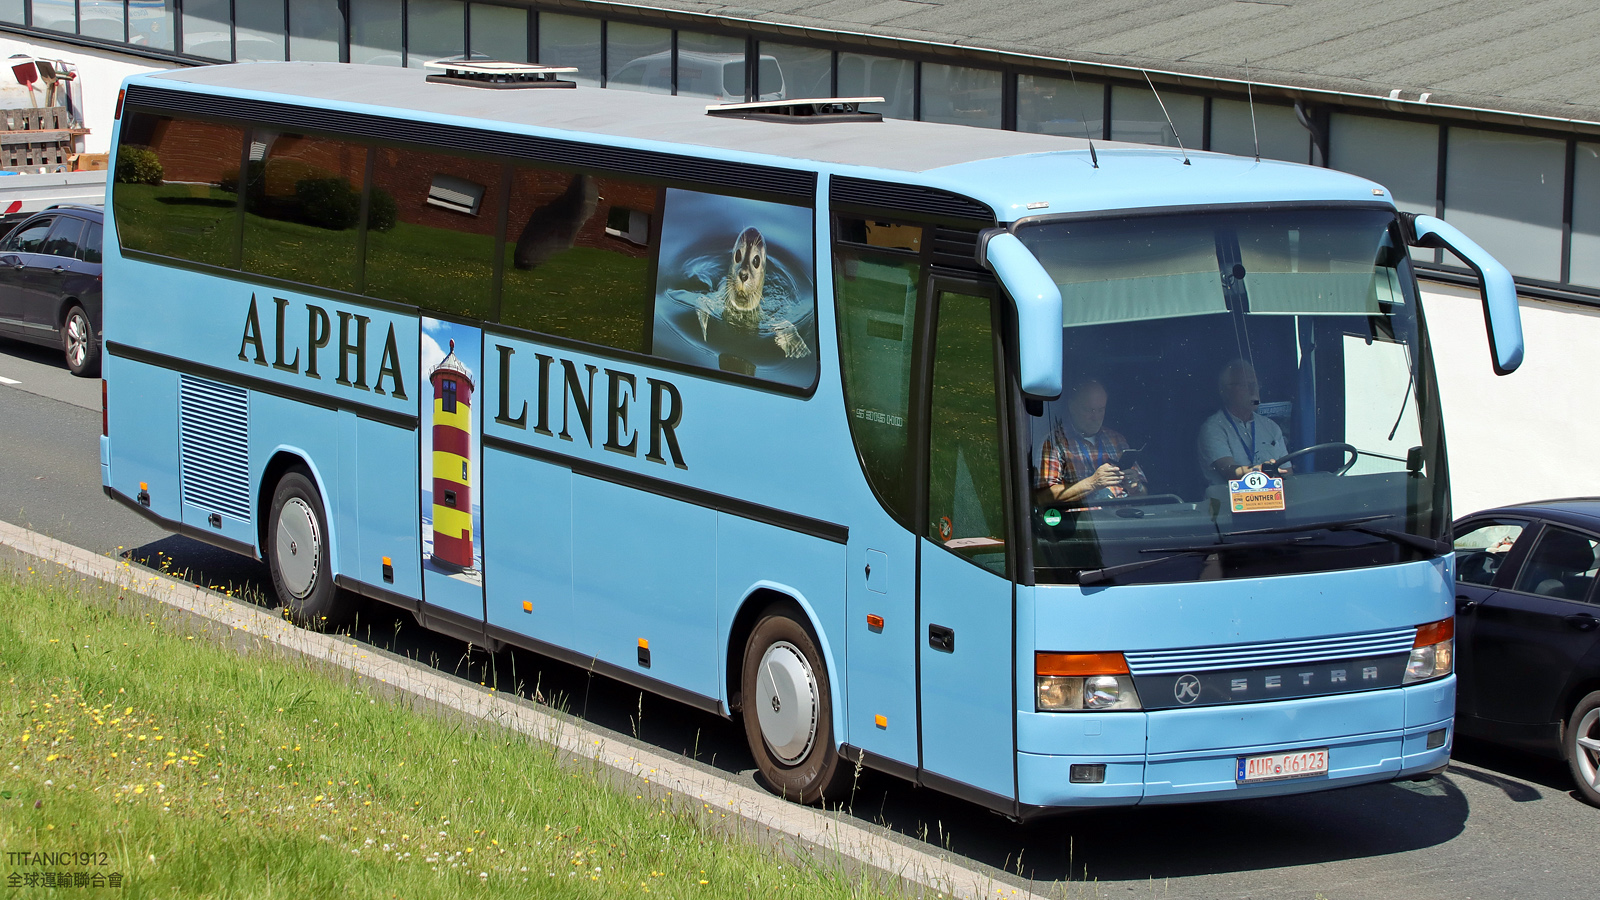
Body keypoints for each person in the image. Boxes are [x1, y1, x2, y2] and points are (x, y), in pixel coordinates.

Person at [1035, 378, 1148, 505]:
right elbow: (1042, 497)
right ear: (1072, 407)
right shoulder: (1054, 443)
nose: (1096, 417)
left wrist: (1135, 486)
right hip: (1085, 516)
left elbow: (1144, 494)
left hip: (1122, 515)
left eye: (1100, 410)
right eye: (1089, 410)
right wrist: (1092, 483)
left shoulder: (1116, 438)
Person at [1198, 358, 1291, 483]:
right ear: (1225, 391)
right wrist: (1260, 471)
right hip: (1228, 496)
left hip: (1272, 495)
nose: (1253, 390)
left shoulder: (1270, 426)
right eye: (1245, 385)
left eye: (1255, 384)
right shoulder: (1213, 428)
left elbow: (1288, 472)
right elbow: (1228, 470)